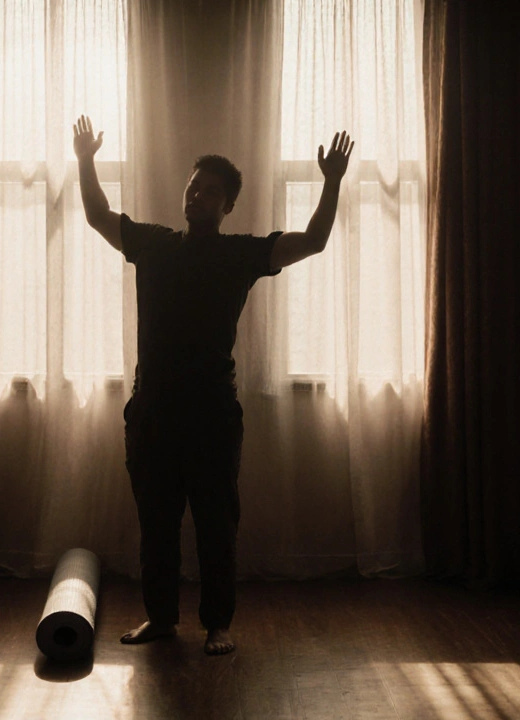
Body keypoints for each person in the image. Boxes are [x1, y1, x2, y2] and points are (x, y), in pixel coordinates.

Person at [72, 115, 353, 655]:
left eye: (211, 192)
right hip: (151, 410)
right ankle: (160, 618)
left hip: (212, 415)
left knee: (215, 525)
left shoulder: (239, 254)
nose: (197, 195)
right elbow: (96, 214)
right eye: (193, 185)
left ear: (228, 207)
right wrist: (85, 160)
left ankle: (218, 624)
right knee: (156, 525)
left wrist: (332, 182)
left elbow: (314, 241)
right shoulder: (152, 245)